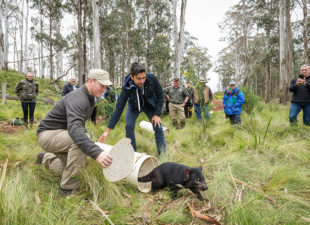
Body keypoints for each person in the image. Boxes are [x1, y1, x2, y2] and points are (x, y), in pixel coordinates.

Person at [36, 69, 113, 196]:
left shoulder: (90, 98)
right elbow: (75, 130)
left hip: (61, 134)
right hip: (47, 135)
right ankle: (68, 189)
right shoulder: (78, 98)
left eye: (106, 87)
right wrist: (97, 152)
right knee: (79, 142)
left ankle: (45, 158)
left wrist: (89, 145)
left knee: (74, 168)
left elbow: (78, 125)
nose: (104, 90)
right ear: (91, 81)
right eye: (102, 86)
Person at [99, 62, 166, 155]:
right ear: (132, 77)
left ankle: (163, 155)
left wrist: (157, 114)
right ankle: (133, 154)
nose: (142, 81)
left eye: (143, 77)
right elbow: (119, 108)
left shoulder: (152, 79)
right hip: (133, 106)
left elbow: (160, 95)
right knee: (129, 127)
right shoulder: (126, 86)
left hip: (149, 105)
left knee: (158, 126)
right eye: (138, 78)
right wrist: (107, 131)